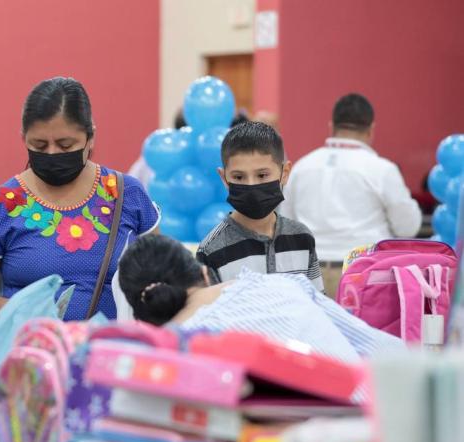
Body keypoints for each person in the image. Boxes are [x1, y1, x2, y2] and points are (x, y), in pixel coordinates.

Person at [0, 77, 160, 321]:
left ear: (91, 137)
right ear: (23, 138)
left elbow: (160, 276)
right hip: (29, 353)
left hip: (113, 352)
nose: (51, 154)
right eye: (39, 145)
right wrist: (21, 310)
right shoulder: (2, 204)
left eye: (65, 145)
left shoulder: (126, 193)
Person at [117, 234, 405, 364]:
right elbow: (382, 349)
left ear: (143, 317)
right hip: (377, 430)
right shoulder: (281, 284)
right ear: (205, 274)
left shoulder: (165, 360)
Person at [282, 93, 422, 298]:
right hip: (363, 276)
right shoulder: (382, 170)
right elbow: (408, 227)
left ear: (331, 126)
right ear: (371, 129)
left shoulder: (301, 167)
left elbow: (286, 224)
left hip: (309, 277)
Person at [196, 122, 323, 290]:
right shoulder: (211, 250)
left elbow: (317, 304)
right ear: (224, 178)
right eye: (239, 177)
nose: (251, 186)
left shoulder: (302, 238)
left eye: (262, 175)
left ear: (284, 173)